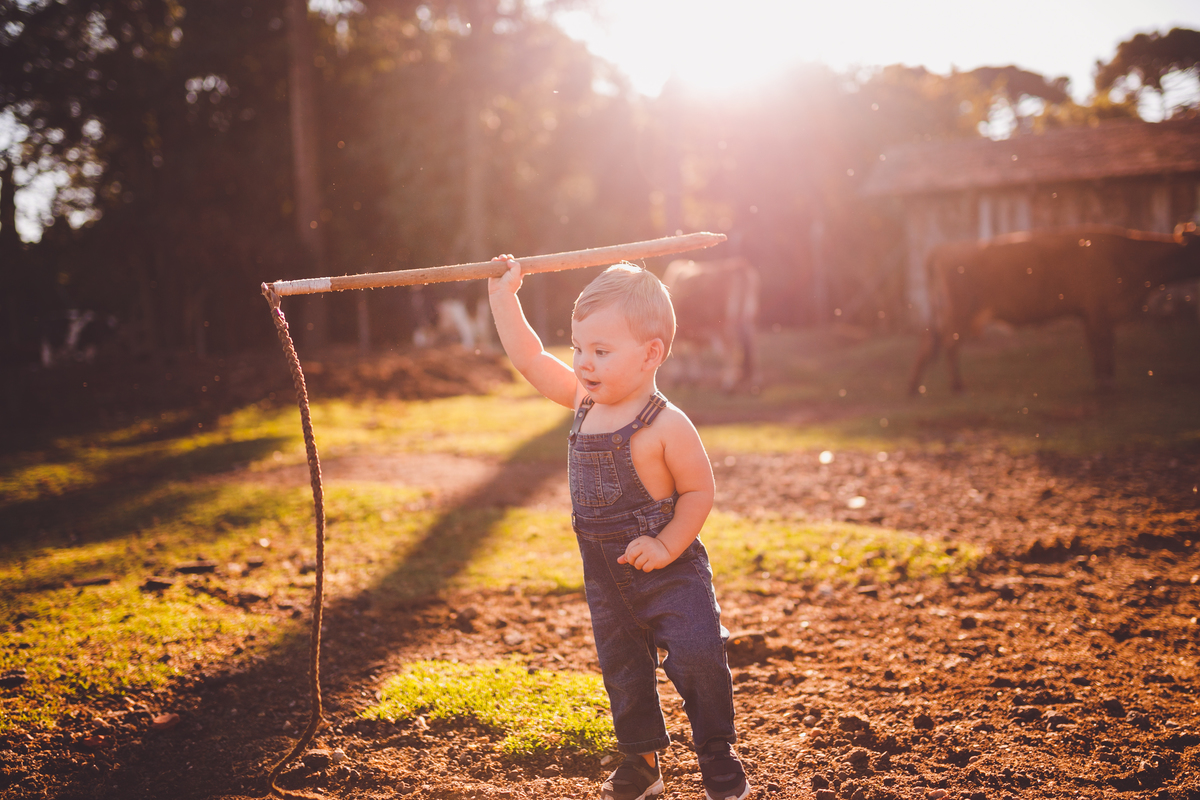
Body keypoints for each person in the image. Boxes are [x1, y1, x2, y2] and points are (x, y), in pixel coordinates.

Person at [488, 257, 750, 800]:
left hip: (669, 572)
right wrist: (502, 296)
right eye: (579, 348)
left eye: (601, 352)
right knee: (624, 673)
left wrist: (665, 543)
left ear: (650, 353)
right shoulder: (584, 402)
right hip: (606, 575)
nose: (584, 363)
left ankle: (717, 753)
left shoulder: (666, 424)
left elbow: (700, 492)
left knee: (699, 655)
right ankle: (642, 763)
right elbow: (530, 356)